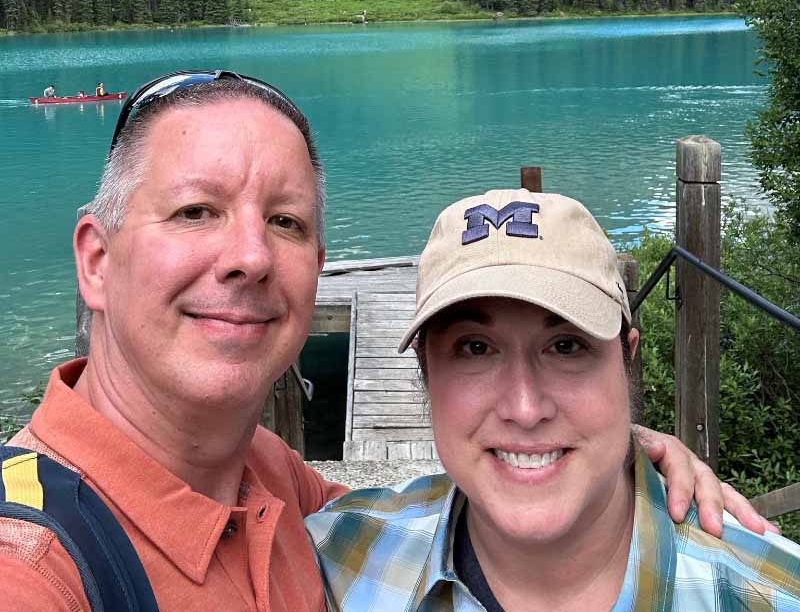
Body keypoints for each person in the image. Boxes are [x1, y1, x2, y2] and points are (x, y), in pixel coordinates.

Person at [0, 75, 773, 610]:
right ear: (96, 260)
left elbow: (425, 524)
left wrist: (609, 451)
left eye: (285, 221)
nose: (250, 255)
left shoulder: (269, 482)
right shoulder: (32, 565)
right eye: (196, 210)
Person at [306, 190, 800, 612]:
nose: (525, 409)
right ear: (426, 370)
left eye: (566, 346)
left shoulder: (770, 594)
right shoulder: (333, 560)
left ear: (626, 362)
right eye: (475, 348)